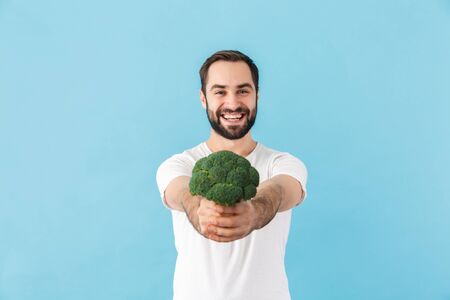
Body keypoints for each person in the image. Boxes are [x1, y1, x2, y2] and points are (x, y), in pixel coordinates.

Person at [156, 50, 308, 300]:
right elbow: (180, 192)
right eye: (220, 91)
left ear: (257, 96)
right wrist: (197, 207)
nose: (233, 103)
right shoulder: (180, 164)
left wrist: (256, 211)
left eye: (243, 91)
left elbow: (282, 190)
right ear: (203, 98)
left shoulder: (283, 163)